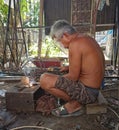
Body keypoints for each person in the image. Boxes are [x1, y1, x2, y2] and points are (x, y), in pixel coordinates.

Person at [39, 20, 105, 117]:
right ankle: (75, 101)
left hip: (87, 93)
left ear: (65, 35)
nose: (60, 44)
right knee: (55, 77)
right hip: (94, 90)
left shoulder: (75, 44)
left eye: (59, 40)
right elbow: (88, 64)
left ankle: (75, 104)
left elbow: (73, 77)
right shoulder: (86, 38)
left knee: (44, 79)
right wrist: (67, 68)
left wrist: (54, 79)